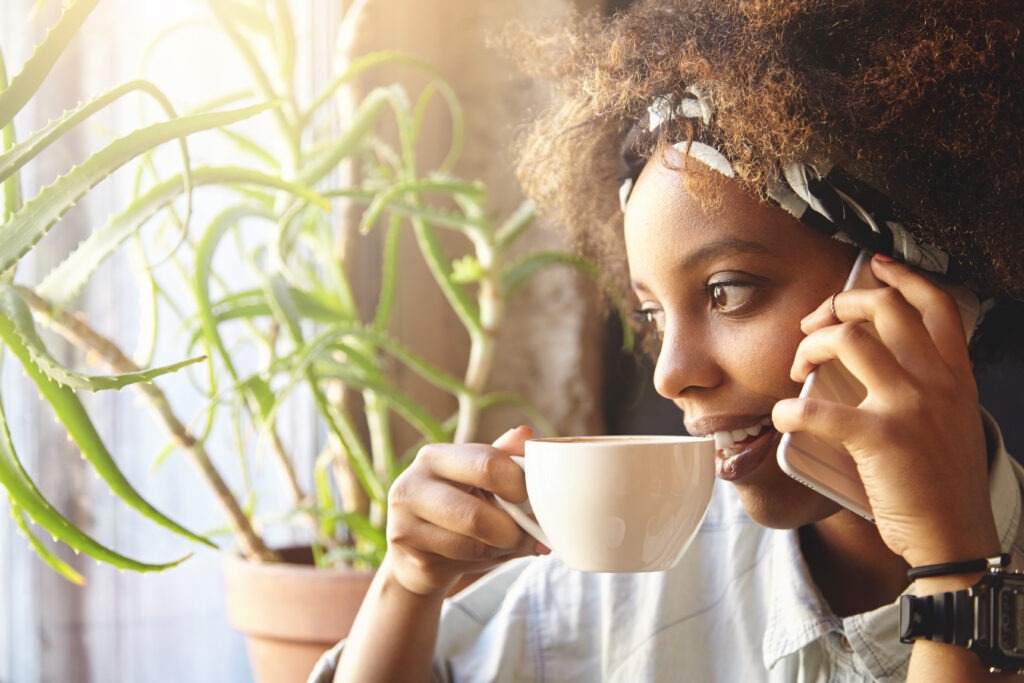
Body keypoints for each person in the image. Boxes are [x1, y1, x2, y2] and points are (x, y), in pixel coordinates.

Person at [311, 1, 1024, 680]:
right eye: (653, 316)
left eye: (728, 291)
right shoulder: (638, 578)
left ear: (915, 287)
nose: (670, 374)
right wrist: (406, 586)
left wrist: (954, 566)